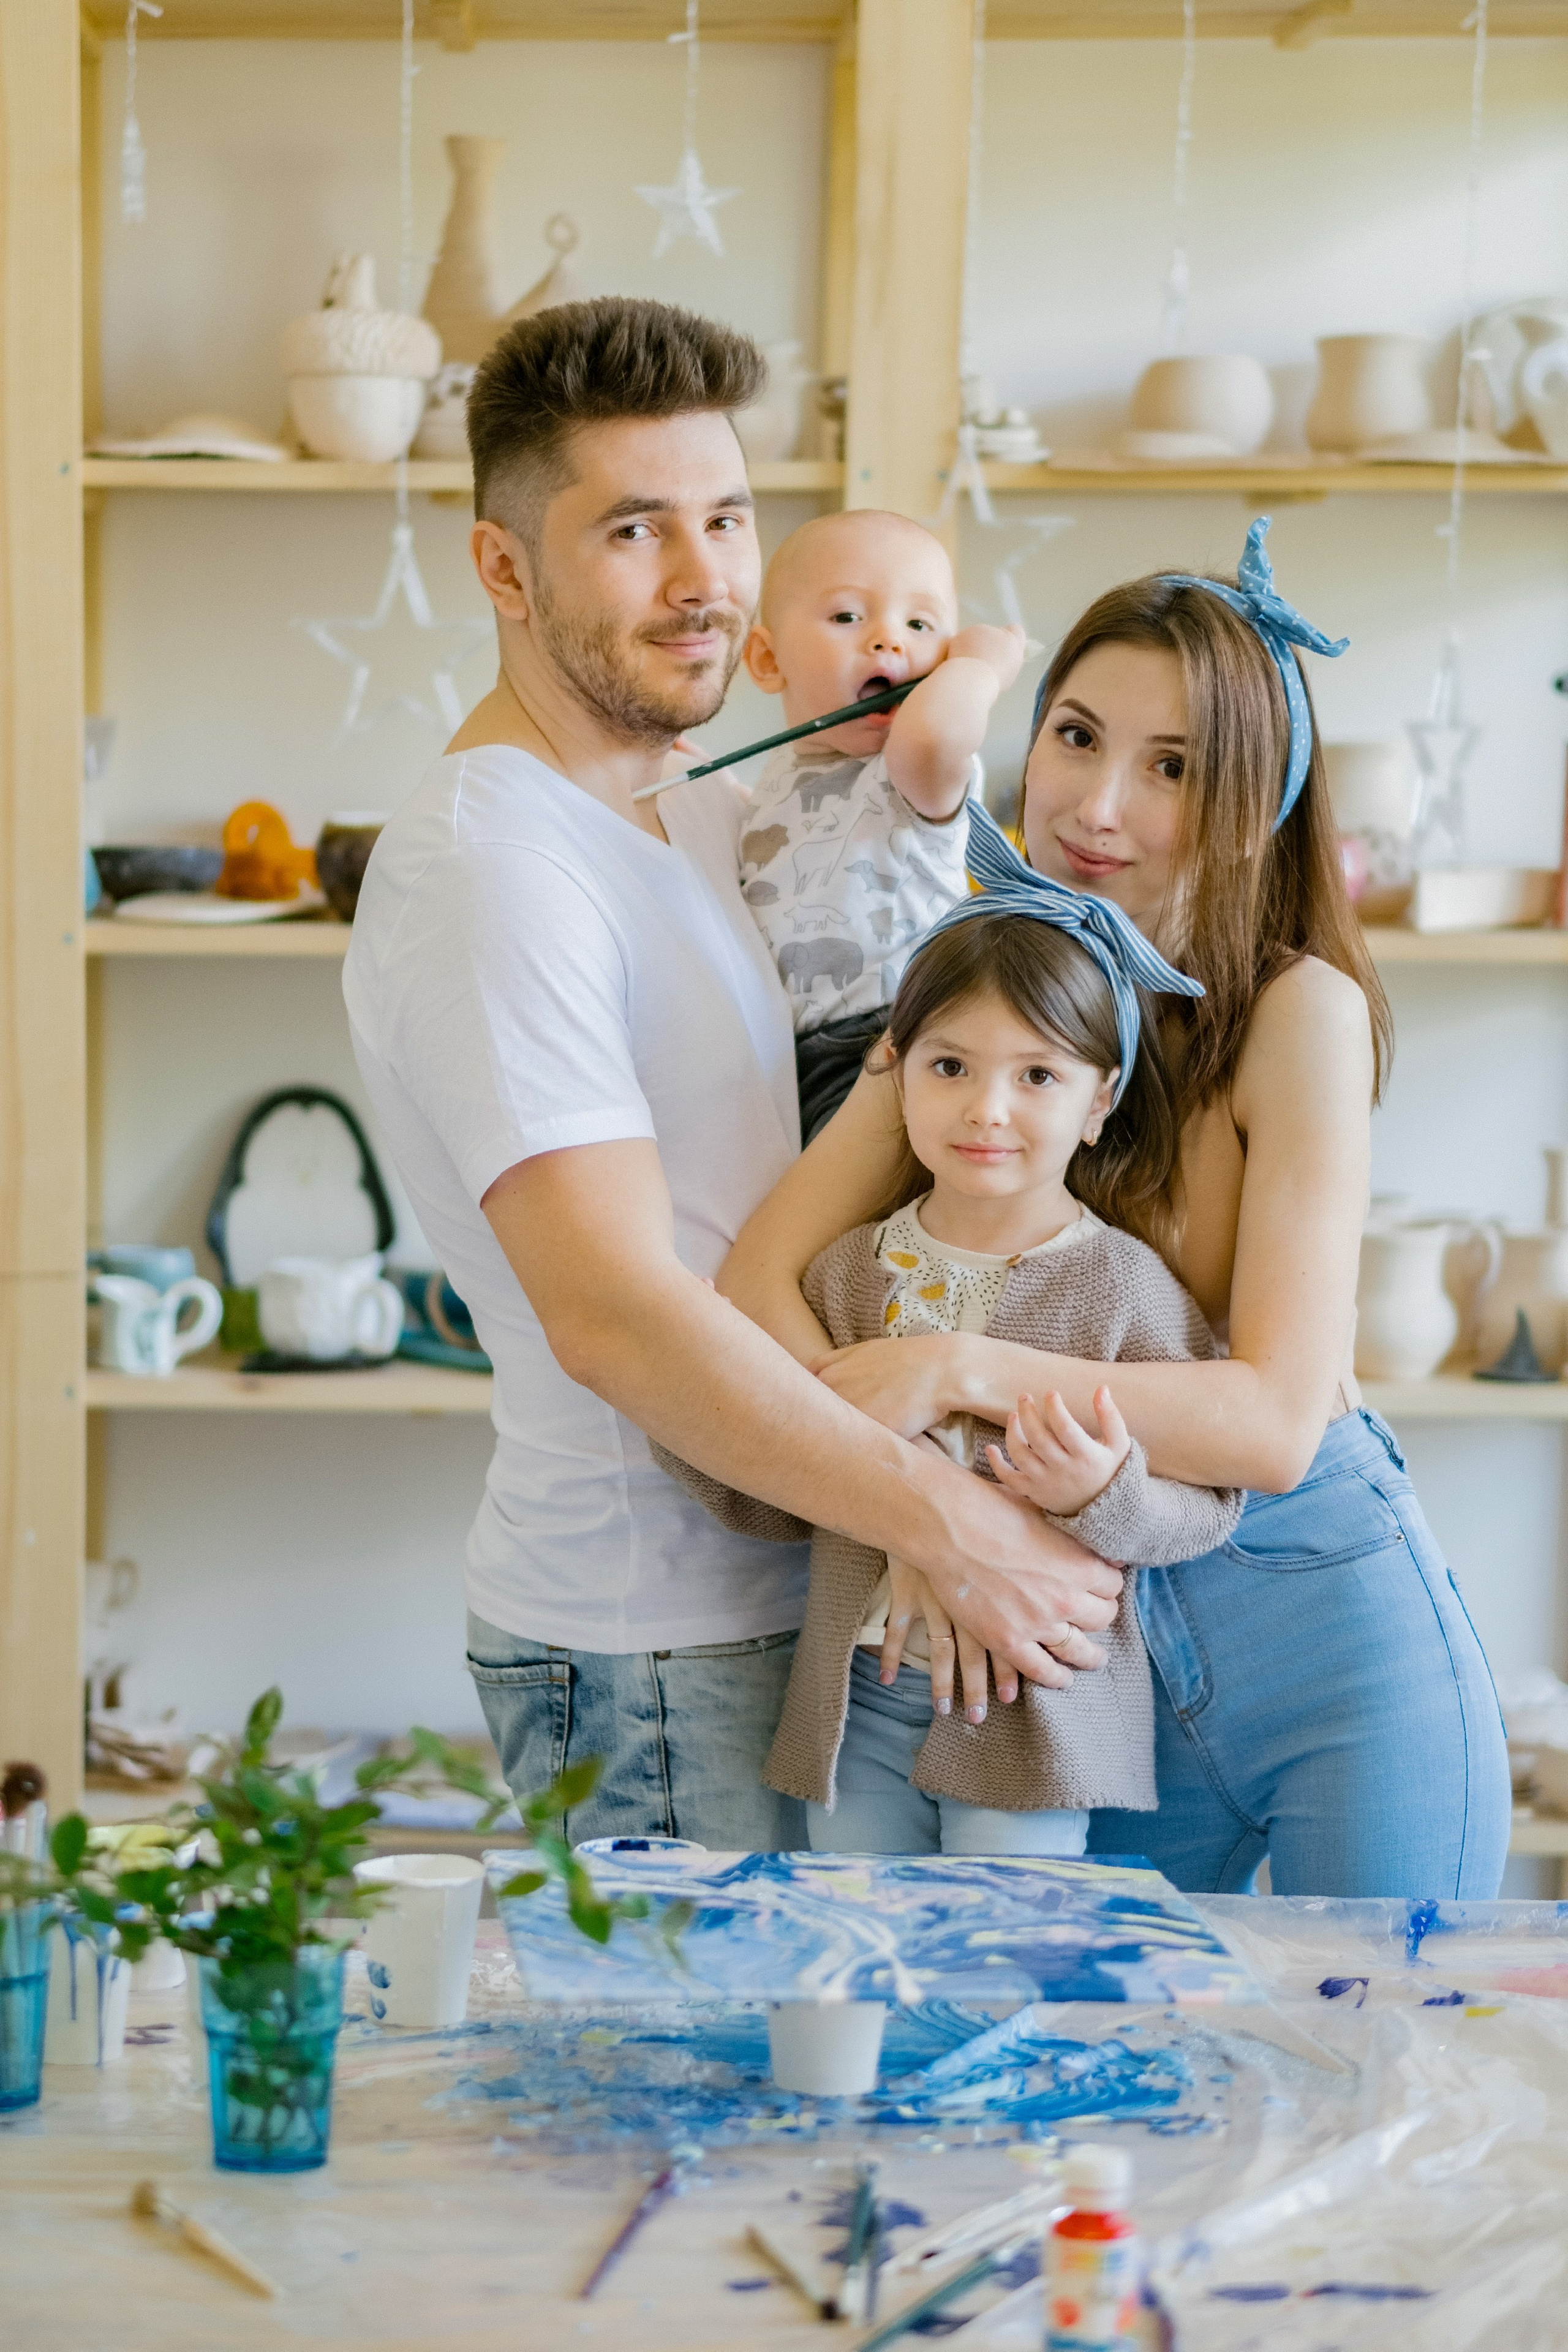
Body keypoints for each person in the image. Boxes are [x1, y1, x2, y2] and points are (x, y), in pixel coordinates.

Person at [342, 296, 1125, 1850]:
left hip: (810, 1580)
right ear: (503, 568)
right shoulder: (493, 869)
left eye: (725, 518)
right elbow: (616, 1314)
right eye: (634, 529)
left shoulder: (707, 809)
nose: (704, 579)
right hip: (655, 1646)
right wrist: (951, 1524)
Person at [720, 518, 1512, 1899]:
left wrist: (953, 1371)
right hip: (1080, 1643)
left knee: (1383, 2017)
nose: (1095, 807)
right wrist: (915, 1509)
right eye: (1076, 738)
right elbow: (751, 1290)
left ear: (1251, 802)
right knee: (1090, 2029)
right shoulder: (972, 993)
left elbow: (1271, 1422)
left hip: (1322, 1626)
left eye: (1171, 767)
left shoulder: (1297, 1011)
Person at [655, 852, 1244, 1858]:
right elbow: (783, 1486)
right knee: (860, 1938)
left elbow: (1210, 1505)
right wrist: (687, 1406)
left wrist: (1102, 1494)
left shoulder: (1125, 1287)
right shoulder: (846, 1277)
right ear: (899, 1073)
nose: (987, 1109)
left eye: (1037, 1076)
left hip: (1031, 1709)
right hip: (861, 1701)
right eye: (950, 1067)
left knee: (1001, 1944)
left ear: (1099, 1102)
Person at [730, 508, 1022, 1142]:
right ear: (768, 659)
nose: (889, 641)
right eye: (847, 617)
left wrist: (979, 669)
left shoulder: (912, 772)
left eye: (919, 625)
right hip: (796, 1058)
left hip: (904, 1035)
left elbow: (936, 734)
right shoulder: (780, 777)